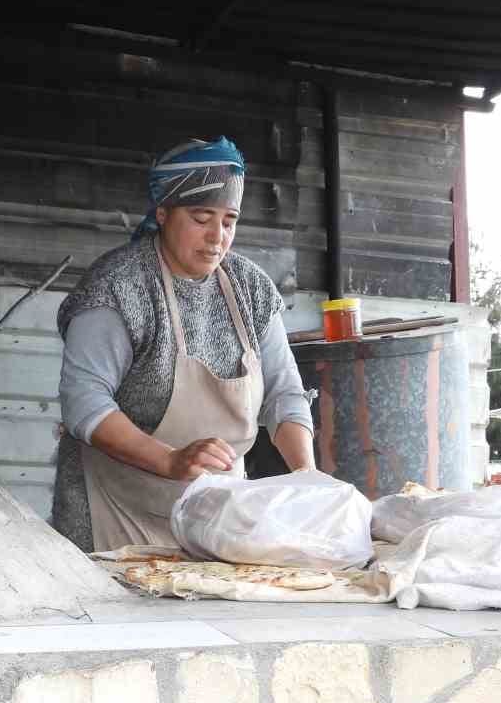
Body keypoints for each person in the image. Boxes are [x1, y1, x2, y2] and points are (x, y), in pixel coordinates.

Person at [51, 136, 317, 554]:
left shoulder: (251, 288)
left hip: (218, 523)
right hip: (114, 517)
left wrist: (307, 474)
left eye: (229, 221)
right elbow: (84, 402)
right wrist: (171, 462)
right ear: (163, 213)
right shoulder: (118, 287)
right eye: (200, 217)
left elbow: (284, 393)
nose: (217, 237)